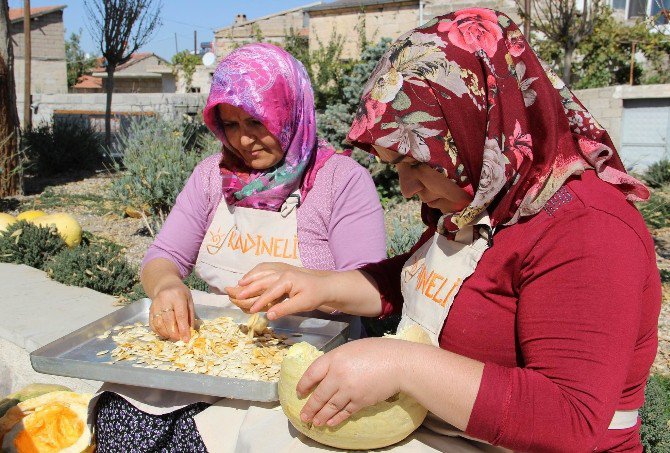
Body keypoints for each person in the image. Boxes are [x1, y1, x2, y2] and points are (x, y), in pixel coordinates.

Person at [227, 9, 662, 452]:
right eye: (396, 166)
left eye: (416, 162)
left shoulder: (587, 229)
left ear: (476, 127)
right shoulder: (485, 200)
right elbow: (429, 282)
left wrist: (403, 365)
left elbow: (568, 418)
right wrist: (318, 286)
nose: (408, 187)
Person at [92, 43, 386, 452]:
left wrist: (310, 283)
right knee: (119, 417)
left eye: (255, 121)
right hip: (216, 351)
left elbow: (374, 290)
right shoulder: (212, 177)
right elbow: (163, 257)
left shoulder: (341, 182)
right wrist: (166, 288)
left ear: (290, 110)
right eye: (229, 124)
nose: (243, 139)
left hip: (311, 361)